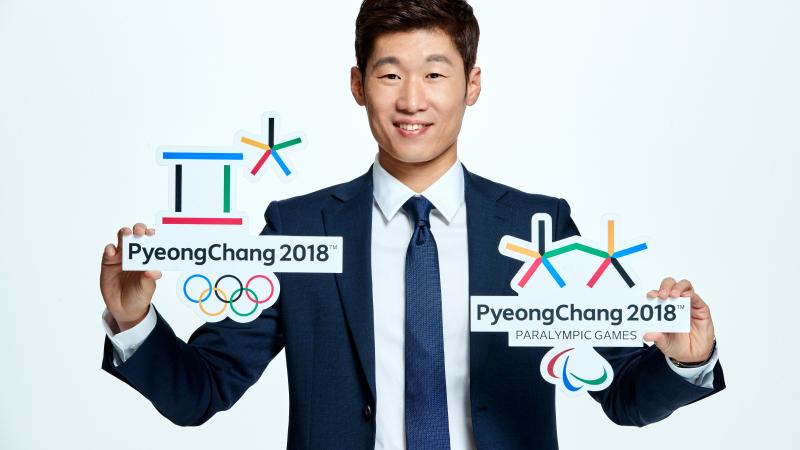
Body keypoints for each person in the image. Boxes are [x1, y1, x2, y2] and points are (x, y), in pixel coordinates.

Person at [99, 1, 725, 449]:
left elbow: (622, 395)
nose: (411, 100)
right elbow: (202, 391)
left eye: (434, 73)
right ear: (358, 84)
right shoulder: (299, 230)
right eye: (390, 74)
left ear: (471, 84)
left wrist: (684, 363)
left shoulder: (542, 228)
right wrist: (135, 321)